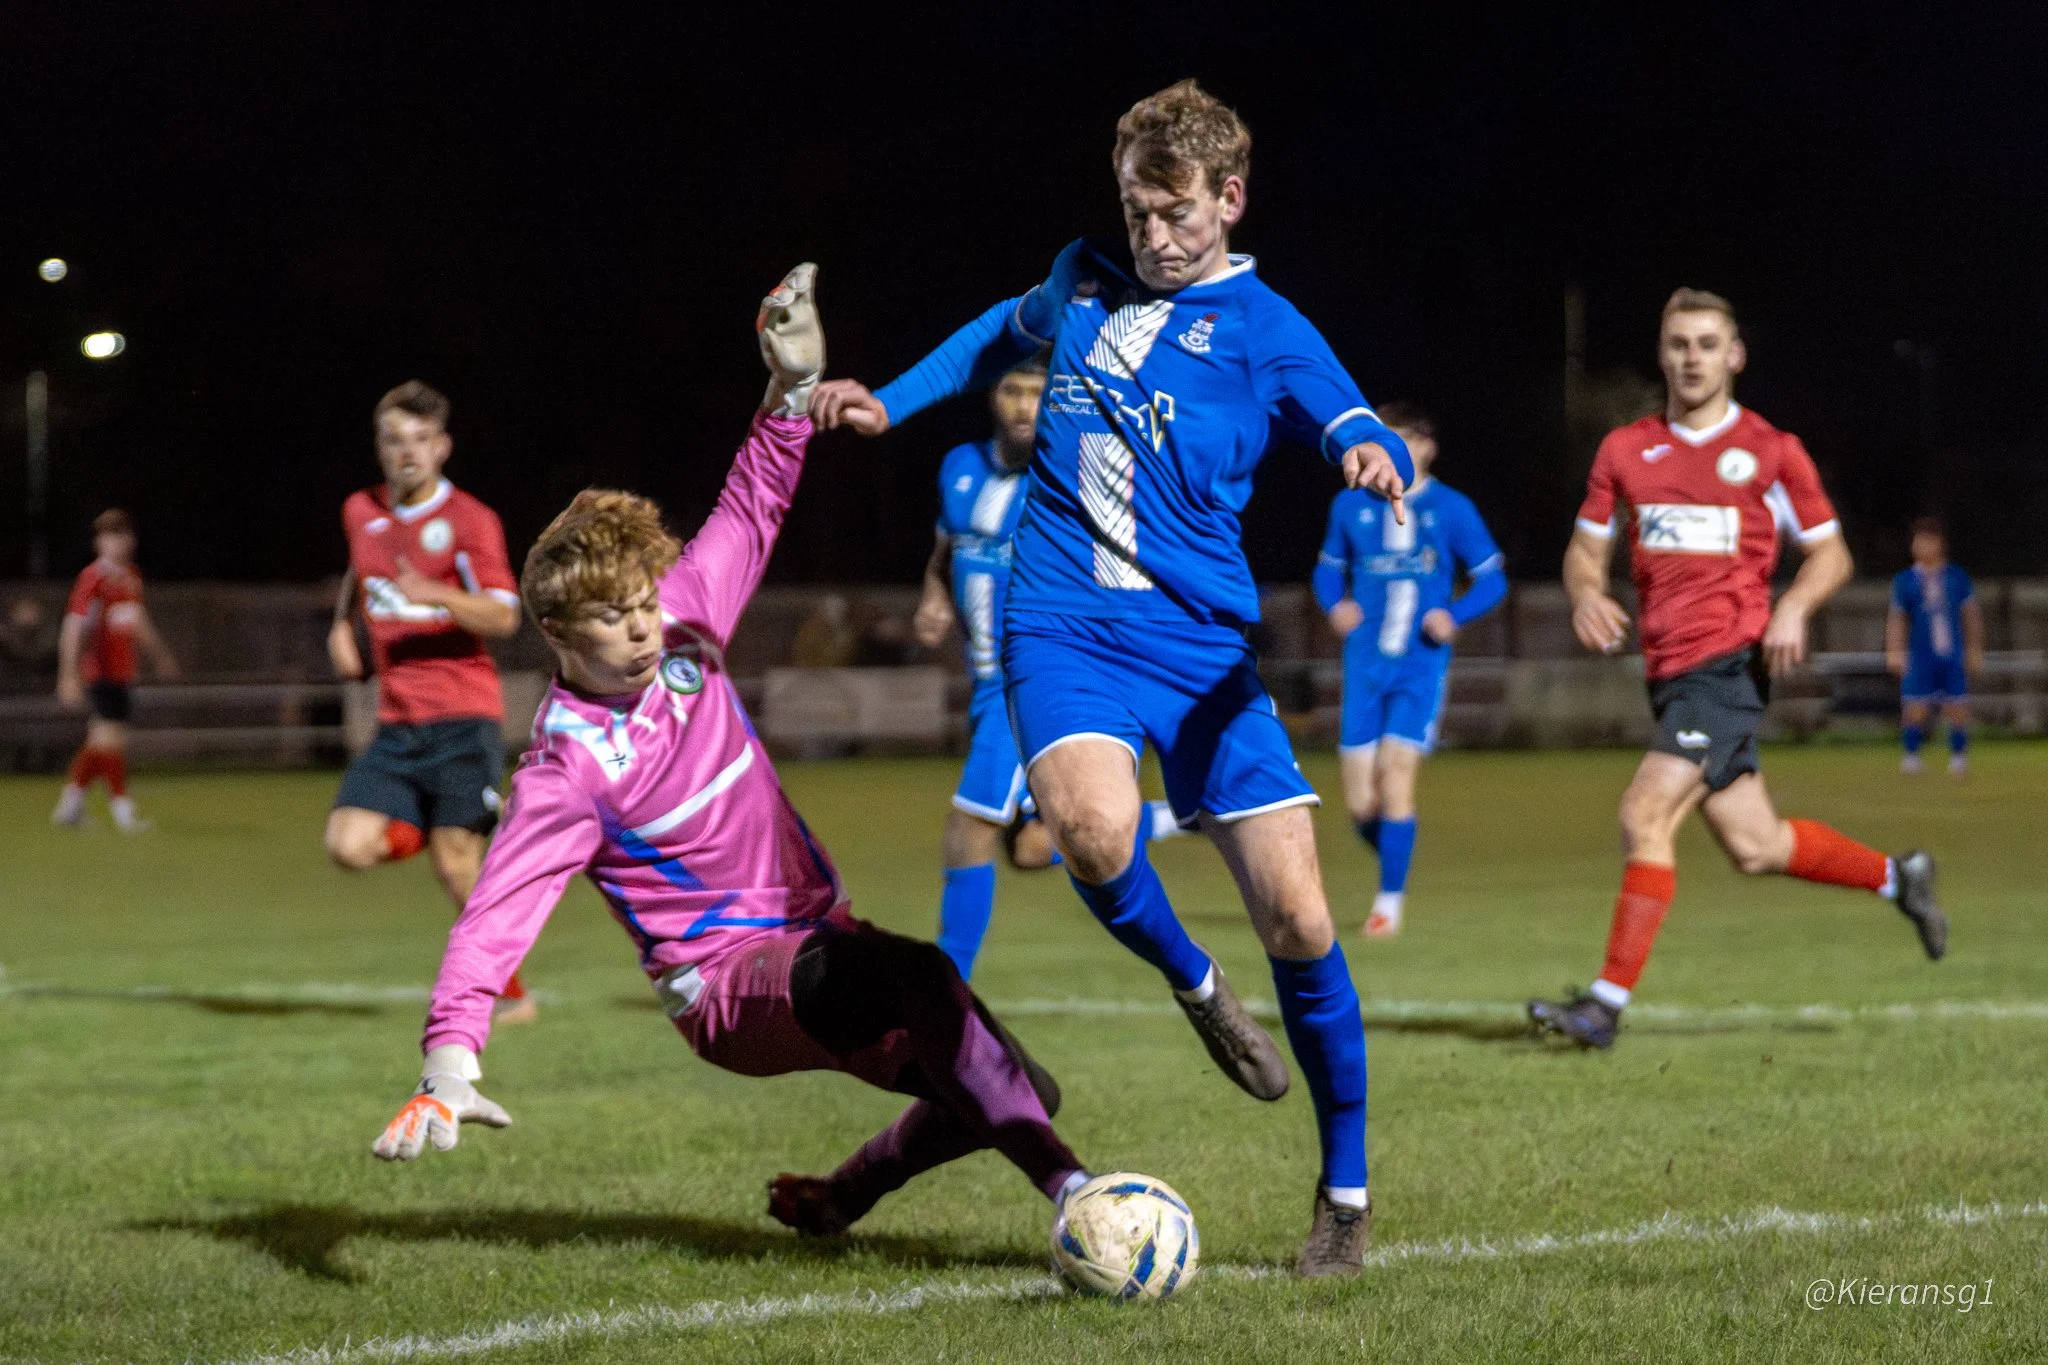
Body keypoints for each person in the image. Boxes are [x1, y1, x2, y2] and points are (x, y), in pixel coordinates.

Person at [811, 81, 1413, 1275]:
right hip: (1060, 621)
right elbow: (999, 326)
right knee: (1089, 831)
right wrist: (890, 400)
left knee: (1299, 918)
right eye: (1136, 210)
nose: (1151, 234)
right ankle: (1195, 982)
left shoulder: (1265, 328)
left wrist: (1367, 451)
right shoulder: (1083, 275)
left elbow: (1355, 419)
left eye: (1173, 211)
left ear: (1228, 199)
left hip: (1199, 647)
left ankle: (1342, 1197)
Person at [372, 267, 1096, 1240]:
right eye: (612, 619)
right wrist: (449, 1061)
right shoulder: (566, 770)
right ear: (555, 631)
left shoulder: (682, 625)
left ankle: (839, 1196)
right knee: (921, 975)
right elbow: (494, 918)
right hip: (722, 986)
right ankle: (1082, 1197)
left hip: (815, 940)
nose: (641, 630)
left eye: (643, 604)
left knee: (1015, 1089)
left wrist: (790, 388)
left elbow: (751, 503)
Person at [1528, 288, 1947, 1050]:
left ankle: (1604, 1005)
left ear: (1735, 356)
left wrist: (1793, 608)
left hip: (1729, 666)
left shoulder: (1771, 451)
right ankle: (1900, 876)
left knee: (1644, 812)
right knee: (1757, 845)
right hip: (1669, 675)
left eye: (1707, 344)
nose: (1693, 358)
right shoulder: (1626, 451)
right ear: (1662, 355)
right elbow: (1585, 550)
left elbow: (1832, 554)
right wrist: (1587, 593)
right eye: (1679, 344)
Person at [913, 357, 1186, 979]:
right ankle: (1174, 818)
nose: (1022, 405)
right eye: (1012, 389)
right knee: (1035, 849)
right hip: (985, 682)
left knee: (970, 825)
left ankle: (945, 988)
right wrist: (934, 596)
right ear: (993, 397)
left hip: (1031, 682)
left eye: (1037, 392)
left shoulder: (1075, 476)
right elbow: (946, 548)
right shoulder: (959, 466)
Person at [326, 381, 536, 1023]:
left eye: (420, 439)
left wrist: (437, 594)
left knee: (456, 866)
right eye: (394, 439)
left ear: (443, 447)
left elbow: (505, 616)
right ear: (379, 447)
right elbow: (360, 568)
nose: (407, 451)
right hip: (397, 723)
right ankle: (438, 825)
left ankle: (514, 997)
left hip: (463, 718)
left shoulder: (471, 519)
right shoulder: (360, 510)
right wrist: (340, 625)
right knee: (348, 846)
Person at [1313, 402, 1505, 939]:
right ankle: (1398, 857)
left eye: (1395, 440)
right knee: (1360, 804)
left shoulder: (1452, 507)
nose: (1385, 452)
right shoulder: (1350, 506)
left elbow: (1492, 578)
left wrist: (1454, 614)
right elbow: (1327, 572)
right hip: (1364, 667)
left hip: (1420, 667)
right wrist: (1335, 605)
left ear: (1424, 447)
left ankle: (1388, 904)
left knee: (1396, 778)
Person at [52, 509, 180, 831]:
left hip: (122, 672)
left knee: (100, 742)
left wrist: (159, 655)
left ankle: (70, 806)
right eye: (110, 537)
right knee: (112, 741)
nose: (118, 543)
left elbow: (136, 621)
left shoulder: (131, 576)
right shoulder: (93, 579)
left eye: (122, 536)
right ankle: (123, 811)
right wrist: (68, 675)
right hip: (100, 671)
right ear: (99, 543)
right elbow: (73, 628)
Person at [1887, 516, 1981, 776]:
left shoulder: (1956, 577)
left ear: (1940, 544)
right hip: (1920, 654)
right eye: (1917, 541)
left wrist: (1974, 649)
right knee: (1915, 707)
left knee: (1957, 706)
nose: (1921, 546)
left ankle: (1959, 757)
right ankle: (1911, 755)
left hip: (1951, 652)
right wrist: (1895, 651)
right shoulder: (1905, 580)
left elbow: (1971, 615)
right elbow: (1897, 618)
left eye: (1927, 541)